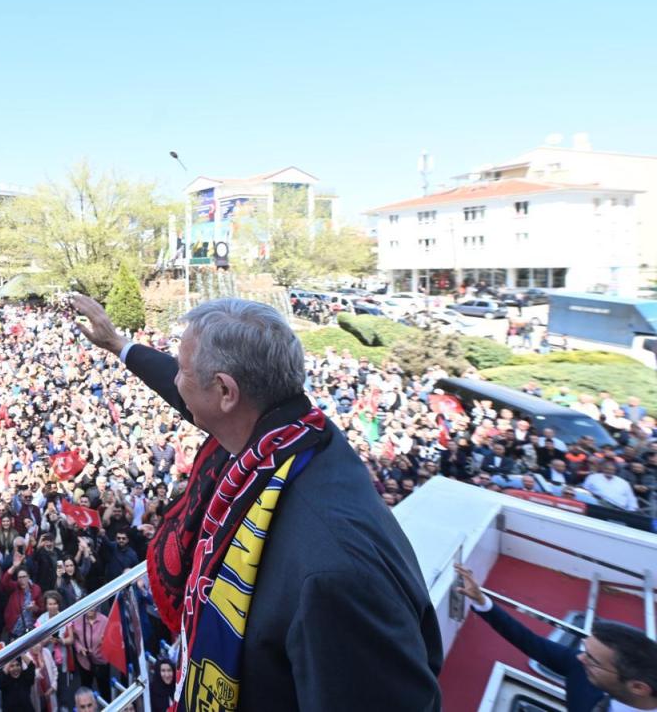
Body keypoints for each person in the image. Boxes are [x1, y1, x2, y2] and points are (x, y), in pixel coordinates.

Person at [69, 293, 442, 711]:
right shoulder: (284, 433)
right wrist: (120, 346)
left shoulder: (333, 570)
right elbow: (191, 394)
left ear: (226, 392)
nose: (176, 382)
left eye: (185, 373)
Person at [455, 564, 657, 710]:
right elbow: (531, 643)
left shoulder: (586, 671)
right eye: (585, 650)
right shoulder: (583, 667)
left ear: (638, 687)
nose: (580, 658)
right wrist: (482, 602)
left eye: (592, 659)